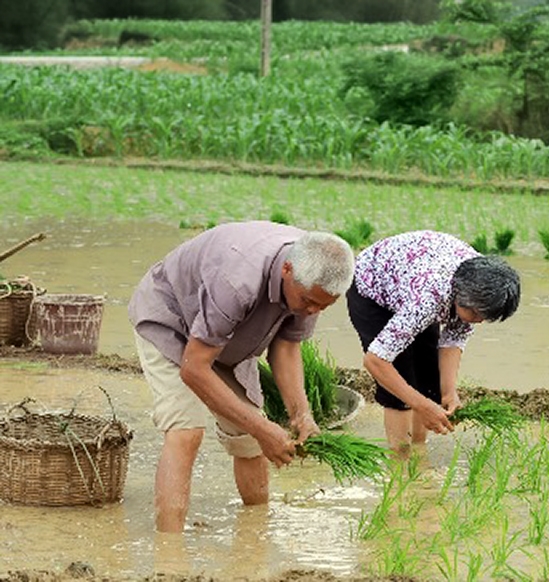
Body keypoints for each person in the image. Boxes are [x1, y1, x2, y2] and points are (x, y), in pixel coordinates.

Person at [128, 221, 354, 533]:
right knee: (186, 429)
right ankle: (170, 555)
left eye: (323, 306)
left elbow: (286, 347)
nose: (312, 311)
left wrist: (301, 415)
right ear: (286, 270)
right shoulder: (238, 280)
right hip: (173, 321)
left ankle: (255, 536)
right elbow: (194, 369)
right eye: (307, 302)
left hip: (229, 337)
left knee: (249, 440)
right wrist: (263, 428)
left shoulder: (313, 280)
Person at [346, 230, 521, 454]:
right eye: (477, 315)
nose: (479, 322)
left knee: (429, 378)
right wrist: (420, 404)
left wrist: (448, 393)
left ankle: (419, 449)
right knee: (400, 380)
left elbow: (454, 339)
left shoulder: (482, 288)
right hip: (373, 287)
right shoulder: (427, 300)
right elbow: (375, 361)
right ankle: (400, 461)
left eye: (485, 317)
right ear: (461, 298)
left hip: (414, 279)